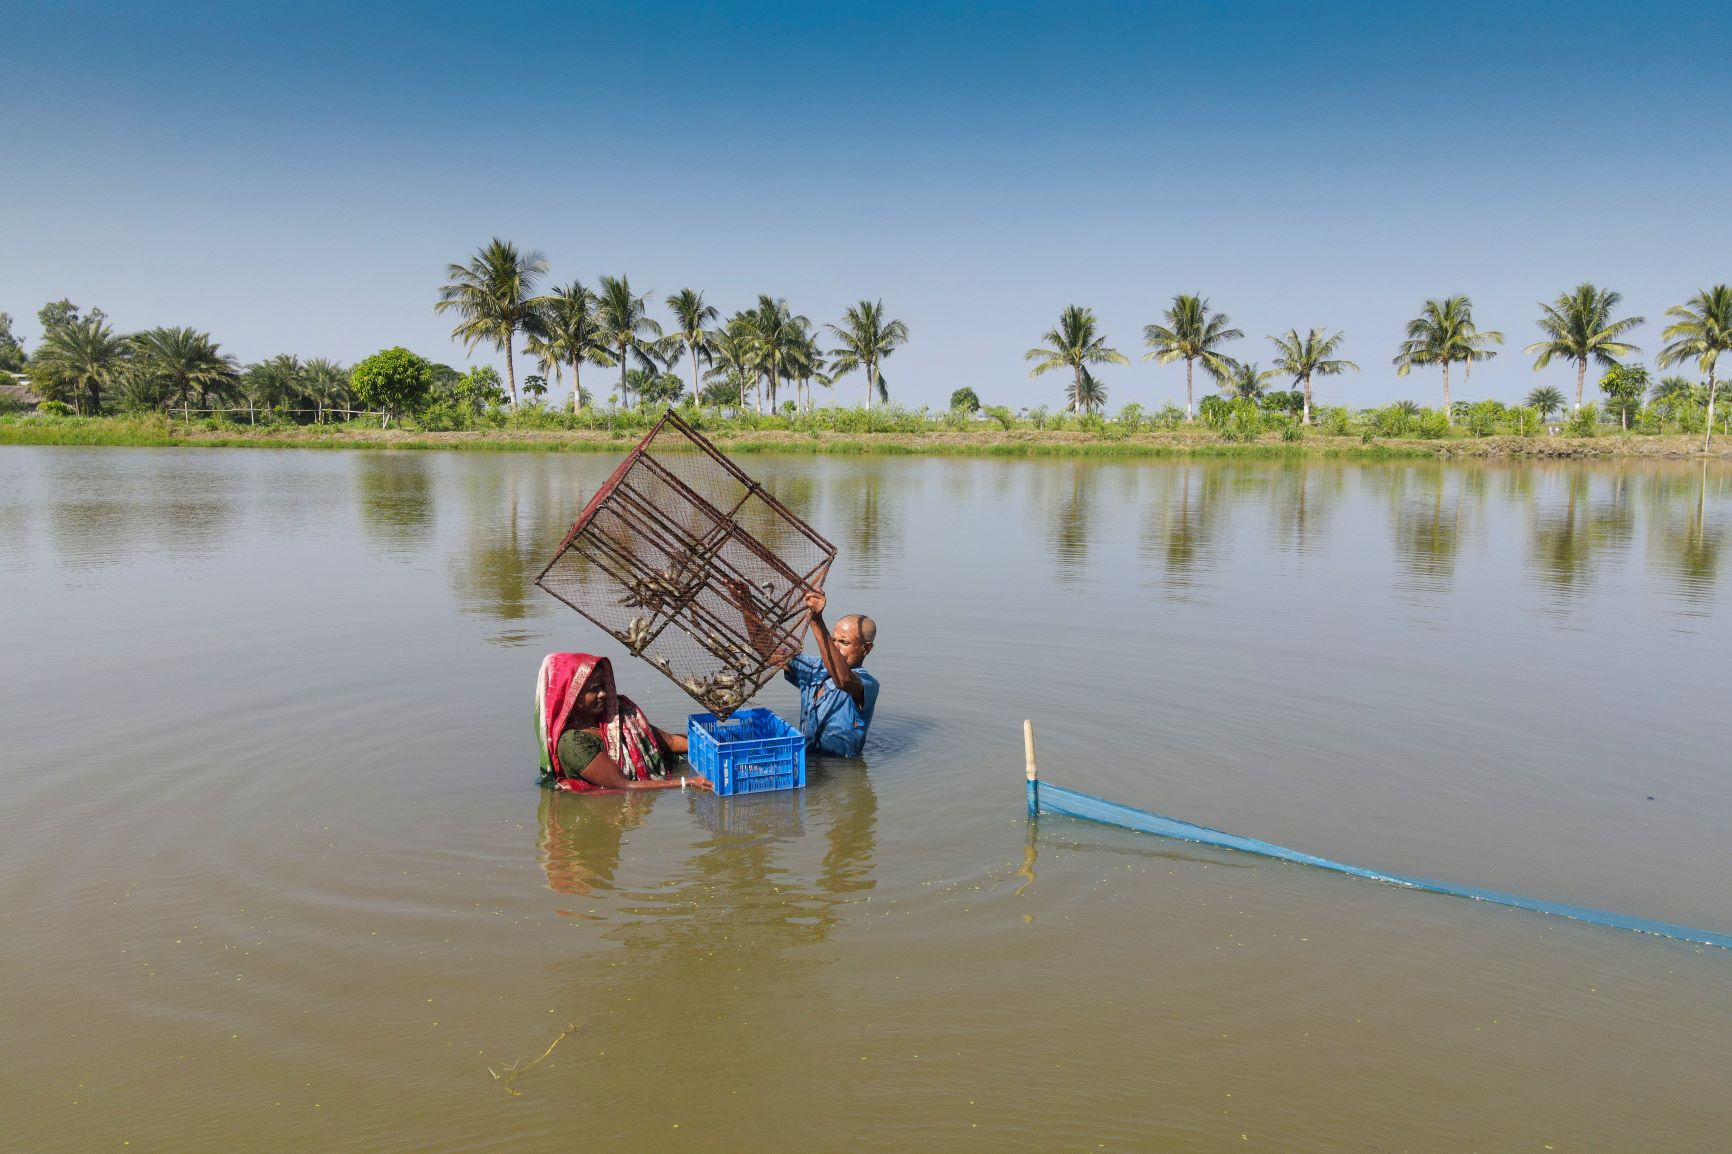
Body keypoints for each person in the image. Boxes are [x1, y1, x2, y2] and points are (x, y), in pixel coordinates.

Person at [534, 652, 711, 792]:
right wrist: (687, 783)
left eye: (603, 686)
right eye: (594, 689)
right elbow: (624, 786)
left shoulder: (617, 716)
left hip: (662, 774)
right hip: (611, 813)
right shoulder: (573, 742)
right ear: (570, 697)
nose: (603, 693)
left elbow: (670, 742)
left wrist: (712, 746)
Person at [782, 590, 879, 758]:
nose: (836, 647)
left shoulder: (867, 683)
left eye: (844, 642)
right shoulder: (814, 668)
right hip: (807, 762)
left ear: (866, 648)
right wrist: (746, 604)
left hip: (841, 769)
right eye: (833, 640)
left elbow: (843, 680)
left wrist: (816, 620)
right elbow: (771, 652)